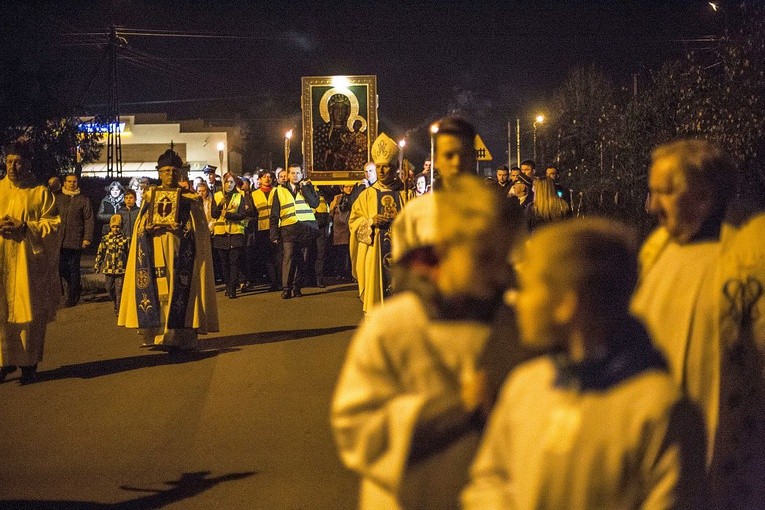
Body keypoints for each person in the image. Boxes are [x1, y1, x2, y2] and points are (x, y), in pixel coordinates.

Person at [463, 218, 706, 509]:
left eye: (529, 288)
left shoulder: (657, 411)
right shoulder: (526, 386)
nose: (518, 301)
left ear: (567, 304)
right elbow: (490, 479)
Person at [332, 175, 519, 509]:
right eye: (484, 258)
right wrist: (453, 409)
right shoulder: (393, 325)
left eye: (502, 258)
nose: (499, 273)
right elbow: (355, 425)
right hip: (406, 497)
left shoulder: (512, 324)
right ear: (448, 250)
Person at [631, 139, 735, 467]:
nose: (651, 206)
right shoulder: (656, 253)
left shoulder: (746, 266)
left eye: (663, 192)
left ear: (704, 197)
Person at [118, 149, 219, 352]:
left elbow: (199, 230)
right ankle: (157, 334)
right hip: (154, 249)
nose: (170, 174)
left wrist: (183, 229)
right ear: (159, 173)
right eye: (165, 171)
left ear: (180, 172)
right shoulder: (149, 196)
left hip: (181, 252)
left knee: (179, 291)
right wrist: (146, 229)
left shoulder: (190, 199)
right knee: (157, 291)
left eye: (174, 170)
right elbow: (141, 225)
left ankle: (180, 335)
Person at [0, 140, 61, 385]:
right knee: (2, 313)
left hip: (28, 265)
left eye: (18, 162)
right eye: (9, 162)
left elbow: (54, 226)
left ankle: (29, 364)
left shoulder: (40, 193)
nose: (13, 167)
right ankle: (3, 361)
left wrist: (26, 227)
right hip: (2, 262)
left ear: (27, 164)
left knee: (29, 314)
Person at [349, 134, 414, 313]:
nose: (382, 171)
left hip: (401, 256)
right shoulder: (366, 195)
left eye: (386, 167)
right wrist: (370, 221)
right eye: (378, 167)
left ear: (394, 168)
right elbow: (354, 222)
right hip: (374, 256)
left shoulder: (406, 194)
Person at [269, 163, 320, 299]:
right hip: (288, 228)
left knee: (302, 259)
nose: (295, 176)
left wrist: (305, 189)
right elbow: (274, 213)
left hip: (305, 228)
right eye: (293, 173)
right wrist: (273, 233)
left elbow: (315, 203)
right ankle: (286, 288)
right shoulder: (279, 190)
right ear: (288, 175)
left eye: (298, 173)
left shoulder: (308, 187)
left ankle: (297, 287)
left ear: (302, 174)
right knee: (289, 257)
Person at [55, 173, 94, 307]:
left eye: (74, 181)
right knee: (60, 268)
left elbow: (88, 220)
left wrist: (87, 238)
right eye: (69, 181)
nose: (72, 184)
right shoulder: (58, 198)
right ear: (64, 183)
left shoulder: (83, 199)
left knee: (73, 269)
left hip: (75, 240)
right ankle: (75, 287)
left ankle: (72, 297)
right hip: (59, 240)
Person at [211, 172, 252, 299]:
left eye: (231, 182)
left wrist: (229, 215)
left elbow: (242, 214)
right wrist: (219, 205)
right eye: (227, 182)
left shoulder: (240, 197)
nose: (229, 184)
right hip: (221, 235)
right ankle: (228, 285)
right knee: (224, 264)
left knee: (234, 262)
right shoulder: (217, 196)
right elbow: (214, 214)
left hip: (235, 234)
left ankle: (233, 288)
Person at [94, 214, 129, 315]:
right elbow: (100, 252)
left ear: (121, 227)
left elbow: (128, 252)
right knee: (109, 288)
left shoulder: (124, 240)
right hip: (108, 268)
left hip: (120, 269)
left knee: (119, 290)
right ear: (110, 226)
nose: (115, 229)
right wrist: (97, 264)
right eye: (113, 226)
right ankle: (115, 302)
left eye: (117, 226)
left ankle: (118, 308)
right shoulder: (105, 239)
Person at [251, 170, 279, 291]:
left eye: (269, 177)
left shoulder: (277, 191)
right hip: (262, 228)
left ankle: (279, 280)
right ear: (260, 179)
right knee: (267, 256)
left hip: (276, 227)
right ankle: (273, 281)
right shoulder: (254, 194)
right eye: (264, 177)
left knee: (277, 255)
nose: (267, 179)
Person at [329, 184, 354, 281]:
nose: (349, 189)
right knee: (339, 252)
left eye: (351, 187)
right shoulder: (337, 198)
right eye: (347, 187)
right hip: (338, 229)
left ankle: (350, 273)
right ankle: (339, 272)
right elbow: (332, 211)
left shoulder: (355, 197)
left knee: (349, 252)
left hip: (349, 228)